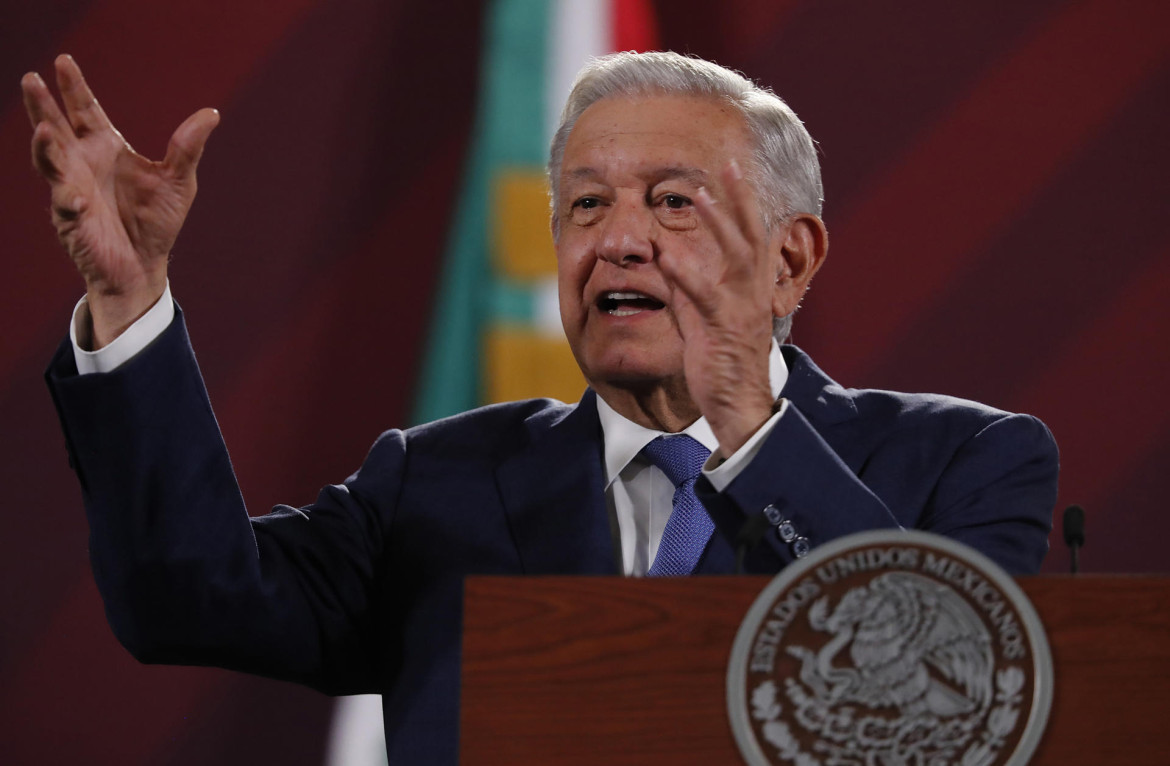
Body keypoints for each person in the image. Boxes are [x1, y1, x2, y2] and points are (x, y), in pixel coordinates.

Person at [23, 51, 1057, 763]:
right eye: (586, 204)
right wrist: (128, 298)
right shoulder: (437, 484)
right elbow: (186, 598)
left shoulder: (968, 463)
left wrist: (746, 413)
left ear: (791, 258)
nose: (619, 240)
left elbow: (950, 706)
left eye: (675, 201)